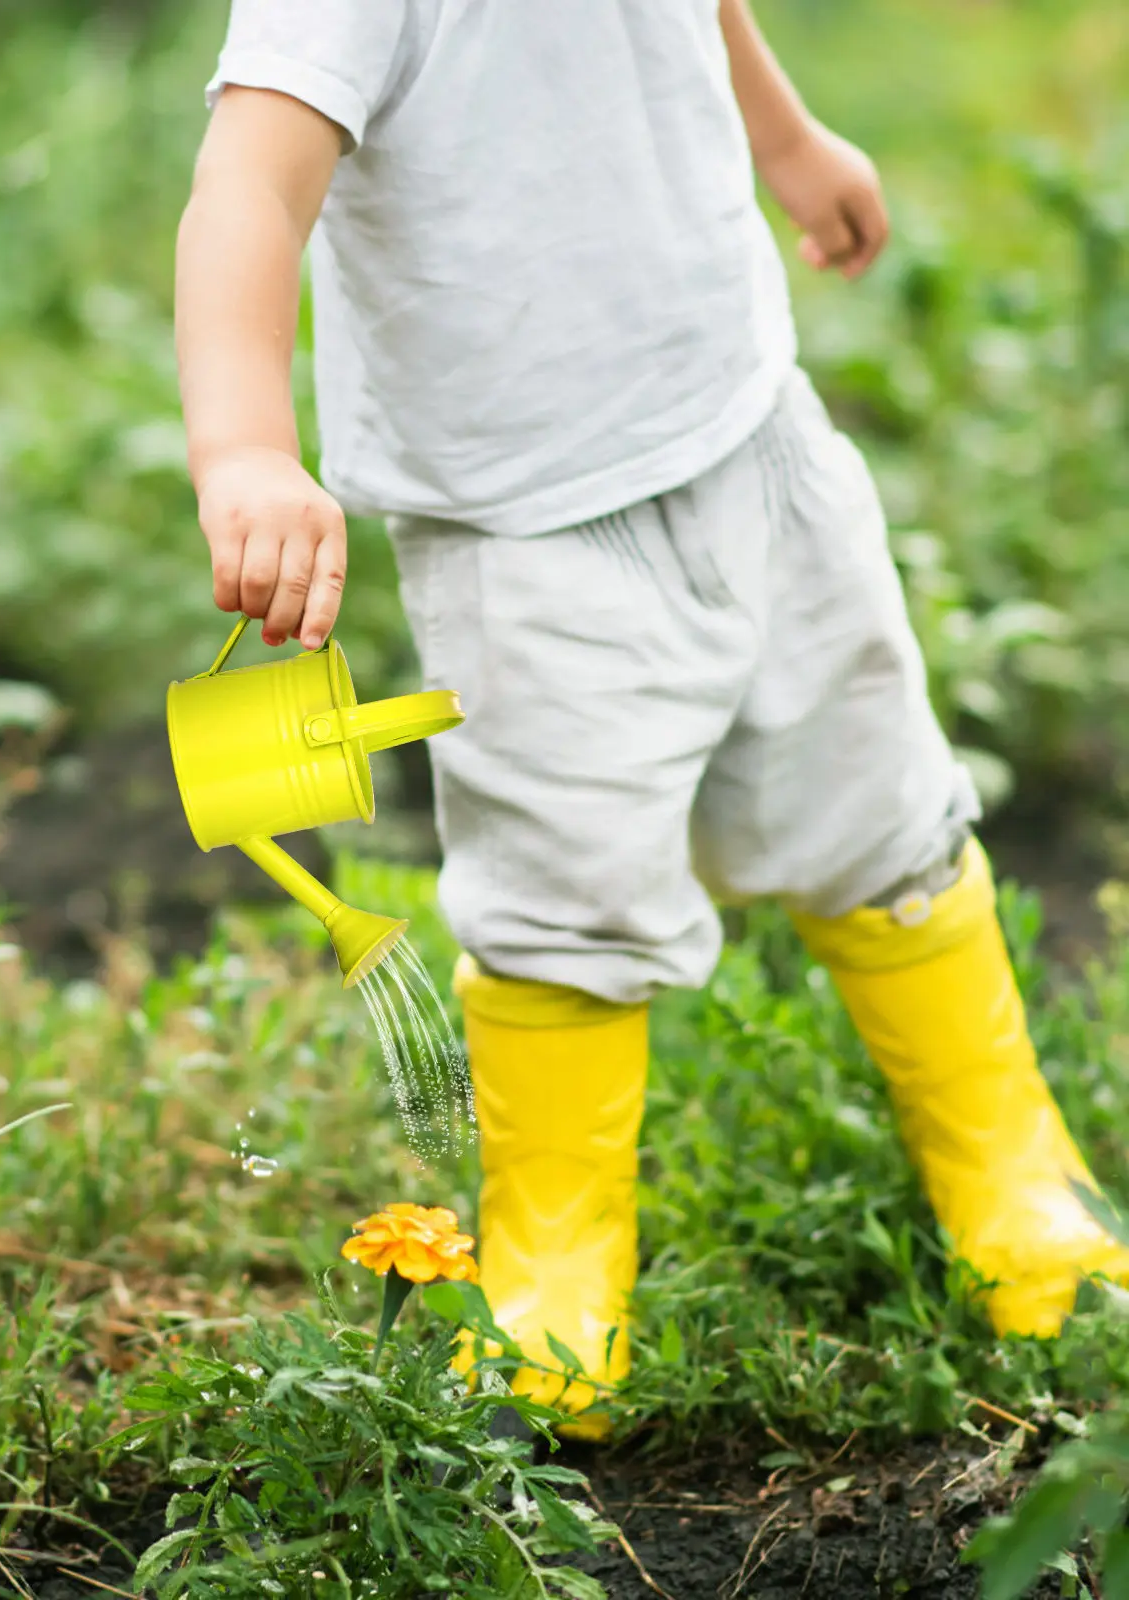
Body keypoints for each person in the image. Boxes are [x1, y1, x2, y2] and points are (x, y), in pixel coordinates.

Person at [174, 0, 1129, 1437]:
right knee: (563, 879)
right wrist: (245, 445)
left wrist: (787, 137)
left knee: (877, 791)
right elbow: (251, 177)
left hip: (751, 424)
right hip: (526, 522)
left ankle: (1007, 1164)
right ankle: (557, 1258)